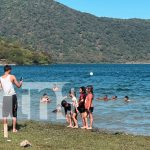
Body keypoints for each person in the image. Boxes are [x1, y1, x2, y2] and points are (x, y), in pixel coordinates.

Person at [0, 65, 23, 133]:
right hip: (12, 96)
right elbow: (18, 86)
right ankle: (13, 129)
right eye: (11, 69)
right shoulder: (12, 76)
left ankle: (5, 129)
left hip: (5, 97)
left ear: (4, 70)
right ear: (9, 70)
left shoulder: (0, 78)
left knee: (5, 114)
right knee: (14, 113)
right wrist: (21, 82)